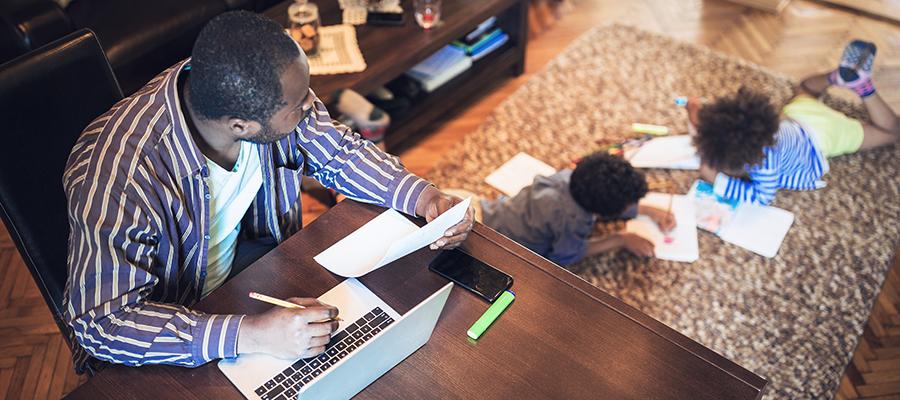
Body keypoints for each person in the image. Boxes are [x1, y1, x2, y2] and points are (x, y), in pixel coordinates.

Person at [62, 11, 473, 372]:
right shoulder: (118, 173)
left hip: (256, 273)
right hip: (177, 327)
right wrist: (254, 334)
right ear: (240, 125)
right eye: (298, 106)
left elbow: (339, 153)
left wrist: (424, 197)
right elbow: (101, 324)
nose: (310, 105)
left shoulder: (249, 90)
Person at [688, 39, 898, 205]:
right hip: (798, 115)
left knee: (890, 132)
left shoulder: (764, 166)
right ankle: (837, 78)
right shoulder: (747, 130)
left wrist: (717, 180)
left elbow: (762, 197)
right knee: (804, 89)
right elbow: (710, 129)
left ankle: (863, 87)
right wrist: (694, 111)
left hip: (825, 135)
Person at [457, 153, 674, 266]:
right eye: (629, 204)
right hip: (488, 241)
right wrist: (620, 239)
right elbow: (566, 256)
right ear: (600, 213)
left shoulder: (567, 177)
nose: (632, 207)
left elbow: (602, 196)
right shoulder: (573, 220)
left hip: (482, 208)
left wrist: (645, 210)